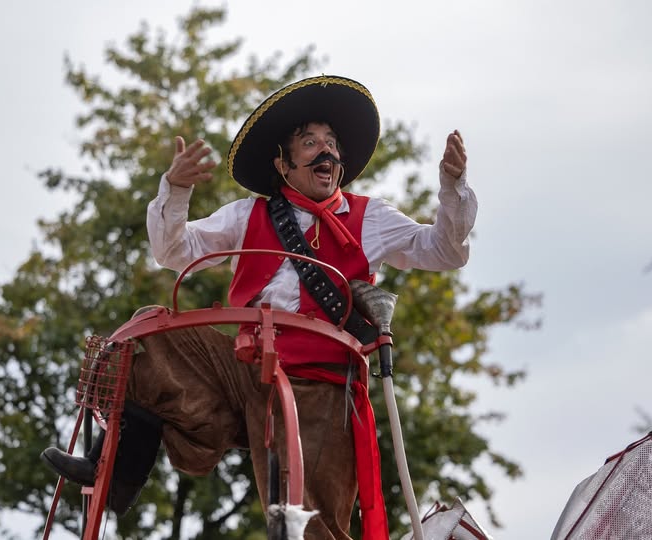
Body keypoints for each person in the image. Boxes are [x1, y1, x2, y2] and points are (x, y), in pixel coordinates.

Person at [41, 75, 476, 539]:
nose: (324, 151)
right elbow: (173, 251)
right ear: (282, 163)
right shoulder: (248, 215)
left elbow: (443, 251)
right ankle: (118, 472)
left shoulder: (370, 217)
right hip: (246, 371)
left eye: (331, 143)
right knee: (150, 336)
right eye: (309, 143)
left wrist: (452, 186)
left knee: (306, 524)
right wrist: (175, 188)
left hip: (321, 386)